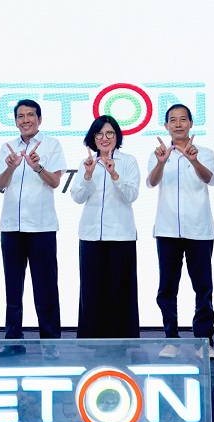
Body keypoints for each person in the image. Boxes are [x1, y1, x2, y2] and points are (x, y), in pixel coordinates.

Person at [0, 100, 66, 360]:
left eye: (30, 115)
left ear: (39, 119)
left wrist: (38, 167)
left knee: (45, 287)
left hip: (42, 226)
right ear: (15, 121)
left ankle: (50, 341)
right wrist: (11, 166)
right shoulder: (7, 147)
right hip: (11, 226)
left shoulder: (52, 145)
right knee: (13, 288)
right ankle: (13, 340)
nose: (25, 120)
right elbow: (0, 184)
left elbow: (55, 182)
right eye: (21, 116)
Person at [147, 104, 214, 360]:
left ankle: (204, 341)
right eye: (173, 120)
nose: (178, 124)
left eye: (183, 119)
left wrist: (193, 159)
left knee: (203, 288)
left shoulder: (205, 152)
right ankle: (171, 340)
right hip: (167, 230)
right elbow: (152, 182)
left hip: (199, 229)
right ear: (166, 126)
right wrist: (161, 163)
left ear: (190, 124)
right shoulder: (158, 153)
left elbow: (210, 179)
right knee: (167, 288)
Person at [70, 115, 140, 339]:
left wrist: (114, 174)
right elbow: (77, 197)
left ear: (117, 136)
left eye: (110, 133)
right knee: (92, 293)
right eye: (99, 134)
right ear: (93, 138)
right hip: (91, 235)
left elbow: (131, 195)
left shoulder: (128, 161)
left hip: (121, 235)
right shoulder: (87, 163)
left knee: (120, 293)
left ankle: (121, 342)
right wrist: (88, 175)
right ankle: (93, 343)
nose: (104, 138)